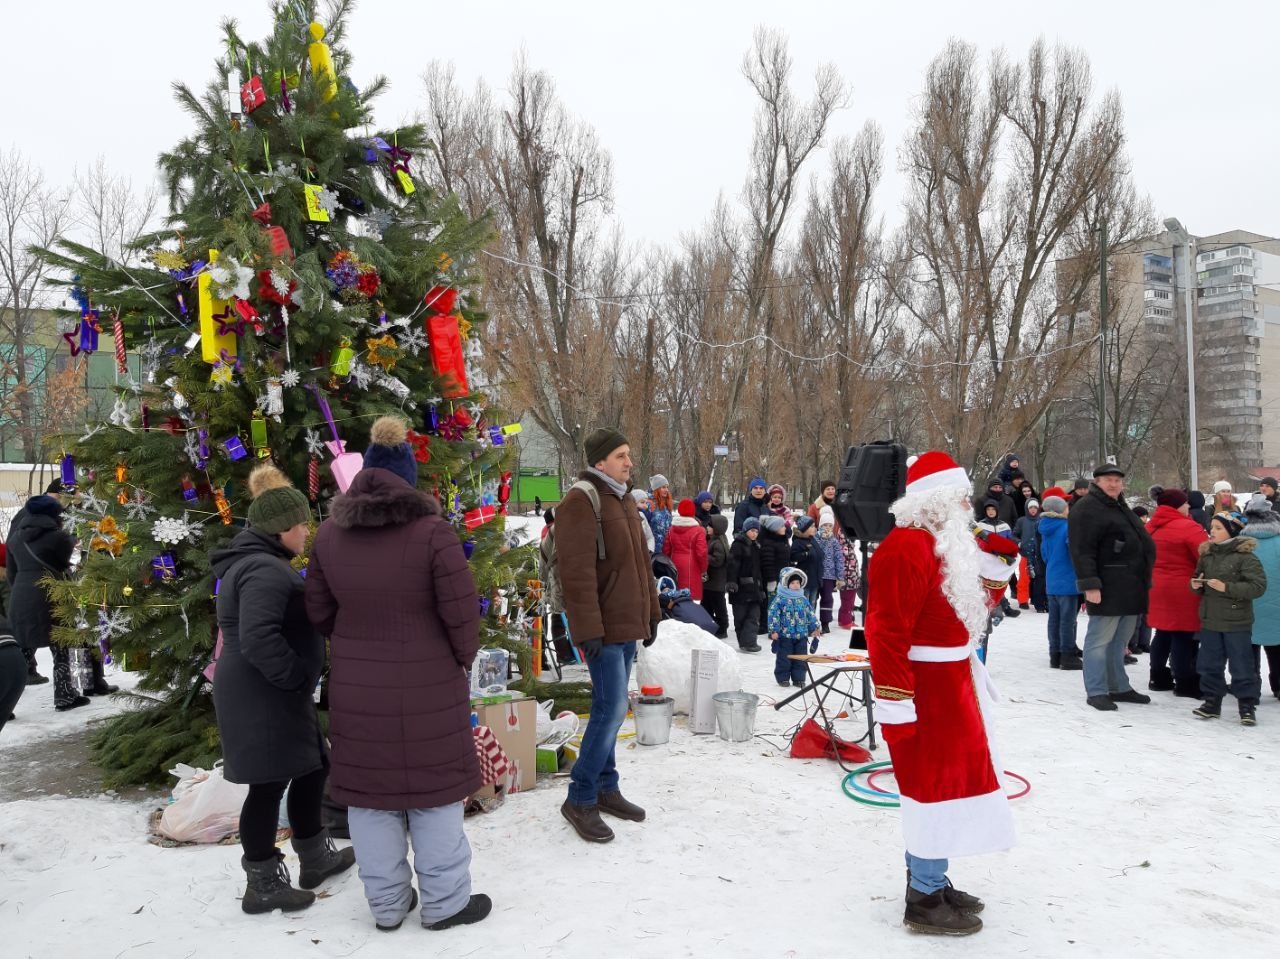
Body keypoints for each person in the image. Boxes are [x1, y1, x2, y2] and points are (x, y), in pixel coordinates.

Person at [305, 418, 490, 930]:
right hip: (430, 688)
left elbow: (318, 611)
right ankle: (446, 903)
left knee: (370, 801)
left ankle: (387, 906)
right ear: (408, 480)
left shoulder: (329, 535)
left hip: (358, 692)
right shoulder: (433, 533)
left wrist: (358, 640)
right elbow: (461, 614)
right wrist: (460, 658)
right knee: (434, 796)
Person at [865, 451, 1015, 937]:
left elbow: (968, 611)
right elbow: (885, 632)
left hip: (953, 686)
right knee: (932, 789)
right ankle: (925, 897)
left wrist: (997, 566)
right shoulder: (906, 548)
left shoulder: (942, 544)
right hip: (925, 691)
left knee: (950, 786)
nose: (969, 506)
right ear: (936, 501)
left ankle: (931, 879)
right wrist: (896, 702)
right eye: (961, 498)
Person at [212, 463, 354, 916]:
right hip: (263, 693)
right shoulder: (263, 570)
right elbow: (258, 637)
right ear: (282, 529)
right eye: (302, 526)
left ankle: (315, 855)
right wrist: (294, 677)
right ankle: (263, 883)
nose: (306, 533)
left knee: (312, 767)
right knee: (268, 785)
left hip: (270, 691)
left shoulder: (262, 563)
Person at [557, 429, 661, 843]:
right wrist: (588, 629)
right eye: (620, 455)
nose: (629, 462)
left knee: (611, 708)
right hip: (602, 628)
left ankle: (605, 787)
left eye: (629, 455)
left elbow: (641, 564)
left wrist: (651, 614)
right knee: (612, 710)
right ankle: (580, 796)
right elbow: (576, 574)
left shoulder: (624, 499)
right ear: (599, 462)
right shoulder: (580, 501)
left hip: (625, 622)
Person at [7, 487, 114, 709]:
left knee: (21, 650)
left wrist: (20, 589)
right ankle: (66, 696)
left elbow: (11, 572)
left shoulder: (16, 538)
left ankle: (4, 703)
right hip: (52, 594)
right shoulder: (59, 537)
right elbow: (70, 565)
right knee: (64, 644)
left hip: (21, 595)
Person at [1068, 464, 1156, 711]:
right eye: (1108, 480)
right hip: (1107, 585)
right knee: (1099, 641)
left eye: (1117, 480)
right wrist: (1090, 585)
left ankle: (1118, 686)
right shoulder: (1087, 508)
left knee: (1119, 641)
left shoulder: (1119, 505)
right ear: (1097, 482)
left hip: (1130, 585)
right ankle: (1096, 689)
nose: (1114, 484)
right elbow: (1081, 550)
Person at [1190, 512, 1266, 725]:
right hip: (1210, 620)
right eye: (1211, 527)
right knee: (1209, 664)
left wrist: (1227, 587)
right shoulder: (1207, 555)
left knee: (1241, 665)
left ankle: (1247, 705)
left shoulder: (1246, 557)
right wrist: (1195, 585)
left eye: (1218, 528)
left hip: (1236, 621)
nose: (1212, 531)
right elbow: (1198, 578)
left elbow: (1258, 587)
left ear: (1232, 531)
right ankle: (1212, 702)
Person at [1145, 490, 1206, 696]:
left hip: (1155, 585)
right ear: (1176, 506)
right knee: (1183, 634)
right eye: (1185, 503)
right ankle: (1184, 681)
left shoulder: (1150, 526)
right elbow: (1204, 556)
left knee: (1162, 632)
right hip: (1183, 588)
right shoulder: (1189, 527)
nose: (1188, 506)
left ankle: (1157, 677)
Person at [1241, 495, 1280, 700]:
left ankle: (1251, 688)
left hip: (1247, 604)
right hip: (1277, 606)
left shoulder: (1240, 543)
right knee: (1277, 646)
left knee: (1248, 648)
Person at [1037, 495, 1081, 669]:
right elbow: (1074, 552)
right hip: (1068, 579)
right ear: (1061, 510)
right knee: (1067, 621)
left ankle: (1054, 655)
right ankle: (1067, 656)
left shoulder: (1045, 528)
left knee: (1054, 620)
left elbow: (1044, 555)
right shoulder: (1067, 526)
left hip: (1052, 579)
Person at [768, 568, 819, 687]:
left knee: (801, 659)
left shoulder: (803, 599)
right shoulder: (780, 599)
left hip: (801, 635)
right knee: (784, 658)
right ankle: (783, 678)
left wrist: (815, 627)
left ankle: (799, 678)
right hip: (785, 635)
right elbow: (773, 615)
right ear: (786, 584)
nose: (796, 585)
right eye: (792, 583)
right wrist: (774, 630)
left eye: (798, 583)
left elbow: (810, 614)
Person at [726, 518, 764, 652]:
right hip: (740, 589)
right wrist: (731, 582)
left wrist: (761, 586)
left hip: (754, 588)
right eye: (752, 530)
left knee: (753, 615)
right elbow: (732, 565)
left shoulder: (756, 546)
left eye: (756, 531)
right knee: (740, 617)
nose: (754, 534)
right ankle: (744, 642)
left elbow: (758, 569)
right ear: (746, 530)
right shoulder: (738, 545)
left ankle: (749, 642)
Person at [663, 499, 708, 600]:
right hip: (692, 566)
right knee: (691, 596)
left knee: (676, 595)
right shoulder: (698, 530)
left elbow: (666, 550)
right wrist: (703, 569)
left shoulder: (671, 529)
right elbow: (702, 553)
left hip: (674, 564)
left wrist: (668, 566)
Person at [815, 507, 846, 634]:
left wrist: (840, 577)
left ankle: (825, 622)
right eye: (824, 525)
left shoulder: (834, 541)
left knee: (827, 599)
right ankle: (811, 622)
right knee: (813, 598)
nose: (827, 528)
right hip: (816, 574)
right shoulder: (815, 539)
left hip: (829, 576)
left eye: (829, 525)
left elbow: (839, 559)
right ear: (820, 526)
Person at [1013, 499, 1046, 612]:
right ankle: (1023, 600)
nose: (1033, 510)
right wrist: (1019, 543)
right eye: (1031, 507)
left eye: (1035, 507)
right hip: (1025, 554)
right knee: (1024, 578)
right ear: (1027, 509)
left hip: (1039, 555)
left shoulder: (1042, 520)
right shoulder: (1021, 521)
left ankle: (1037, 598)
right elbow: (1014, 535)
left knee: (1039, 579)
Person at [702, 514, 730, 639]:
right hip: (711, 582)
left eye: (710, 526)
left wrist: (704, 556)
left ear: (717, 528)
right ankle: (710, 625)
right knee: (707, 605)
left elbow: (717, 560)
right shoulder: (713, 540)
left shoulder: (718, 543)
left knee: (718, 606)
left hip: (716, 582)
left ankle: (722, 628)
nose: (707, 528)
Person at [789, 516, 823, 609]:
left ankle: (811, 617)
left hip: (815, 579)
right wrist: (805, 554)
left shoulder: (813, 540)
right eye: (811, 526)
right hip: (805, 580)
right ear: (804, 528)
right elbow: (793, 557)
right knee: (804, 603)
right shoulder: (798, 542)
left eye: (814, 526)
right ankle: (803, 618)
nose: (814, 528)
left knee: (813, 602)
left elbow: (820, 555)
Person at [757, 514, 792, 604]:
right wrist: (771, 580)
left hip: (783, 578)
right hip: (774, 580)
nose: (785, 528)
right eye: (782, 526)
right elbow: (768, 564)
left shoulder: (783, 540)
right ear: (775, 528)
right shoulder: (768, 543)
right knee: (773, 604)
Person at [837, 528, 861, 630]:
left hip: (851, 578)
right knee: (847, 602)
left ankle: (844, 619)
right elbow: (844, 564)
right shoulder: (844, 548)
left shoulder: (849, 548)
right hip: (848, 579)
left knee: (848, 601)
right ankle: (845, 621)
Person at [648, 475, 673, 556]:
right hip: (653, 550)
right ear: (656, 489)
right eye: (663, 487)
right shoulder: (649, 504)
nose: (666, 490)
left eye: (667, 487)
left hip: (666, 549)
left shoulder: (666, 504)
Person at [630, 489, 656, 555]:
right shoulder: (627, 519)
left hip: (645, 555)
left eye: (646, 503)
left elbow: (650, 537)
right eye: (642, 502)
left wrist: (649, 550)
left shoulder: (642, 516)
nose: (646, 506)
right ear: (633, 503)